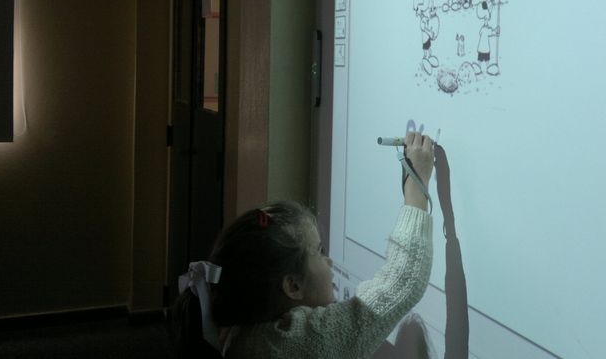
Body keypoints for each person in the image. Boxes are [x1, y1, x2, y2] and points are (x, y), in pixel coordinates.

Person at [172, 131, 437, 358]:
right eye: (319, 252)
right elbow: (404, 280)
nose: (329, 261)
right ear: (293, 285)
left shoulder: (241, 332)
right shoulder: (292, 343)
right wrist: (417, 185)